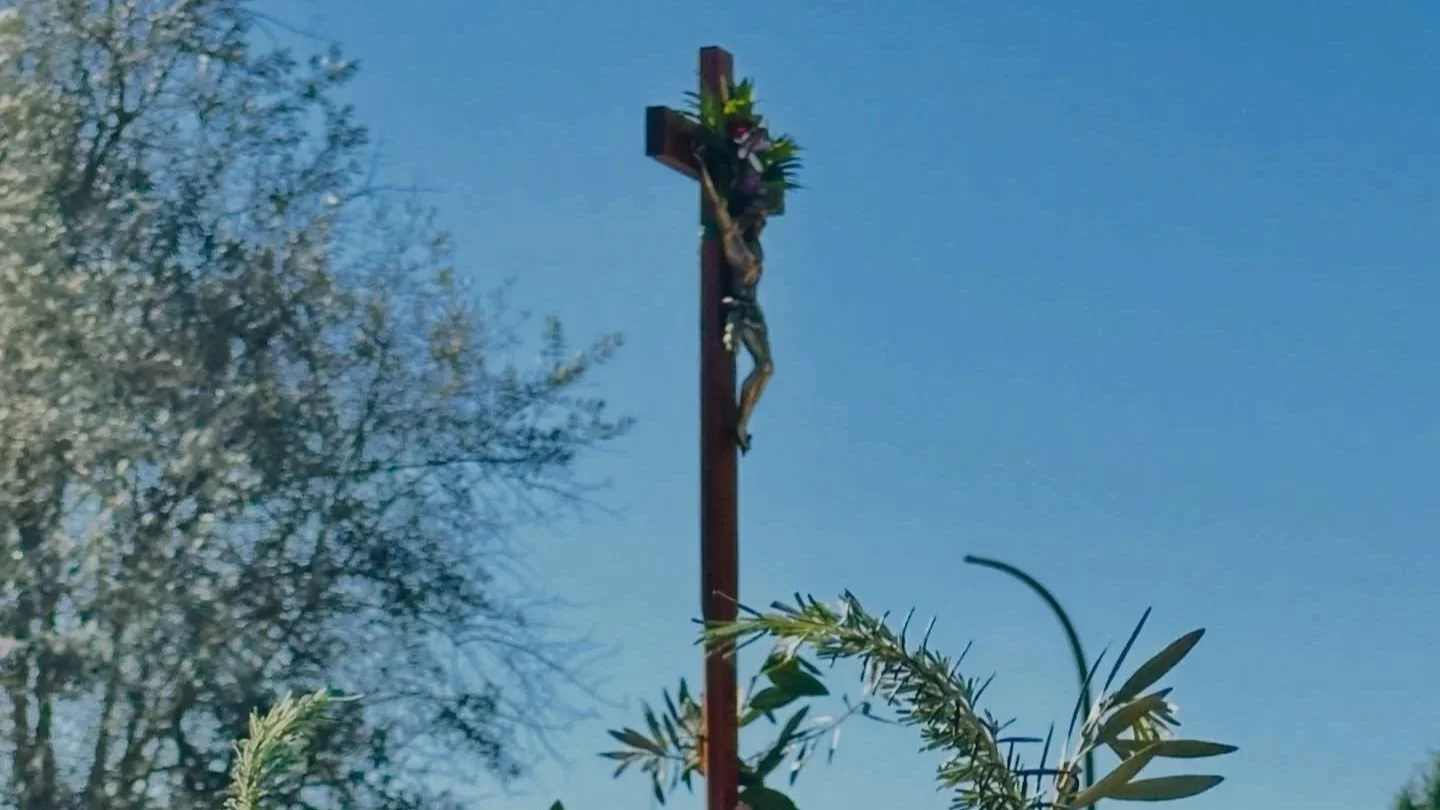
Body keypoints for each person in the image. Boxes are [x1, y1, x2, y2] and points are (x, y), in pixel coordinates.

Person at [695, 148, 773, 455]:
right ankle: (736, 422)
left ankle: (742, 421)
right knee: (744, 363)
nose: (763, 222)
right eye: (759, 216)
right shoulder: (734, 240)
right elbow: (717, 205)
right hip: (738, 308)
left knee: (766, 368)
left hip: (754, 311)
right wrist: (703, 169)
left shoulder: (756, 246)